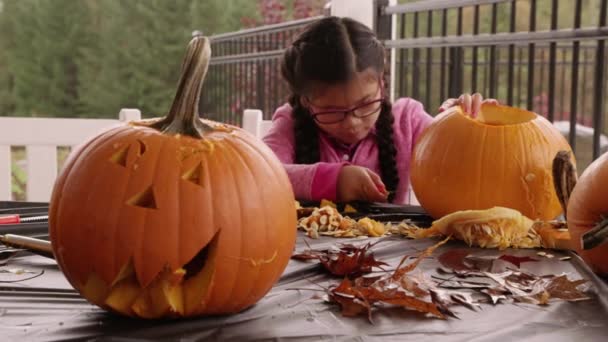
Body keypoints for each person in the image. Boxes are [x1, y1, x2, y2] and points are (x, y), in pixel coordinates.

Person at [262, 16, 496, 204]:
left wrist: (463, 126)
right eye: (332, 111)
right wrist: (333, 180)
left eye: (365, 104)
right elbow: (261, 176)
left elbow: (457, 161)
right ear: (305, 101)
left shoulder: (407, 121)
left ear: (381, 84)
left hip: (393, 260)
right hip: (306, 257)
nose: (352, 123)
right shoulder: (290, 123)